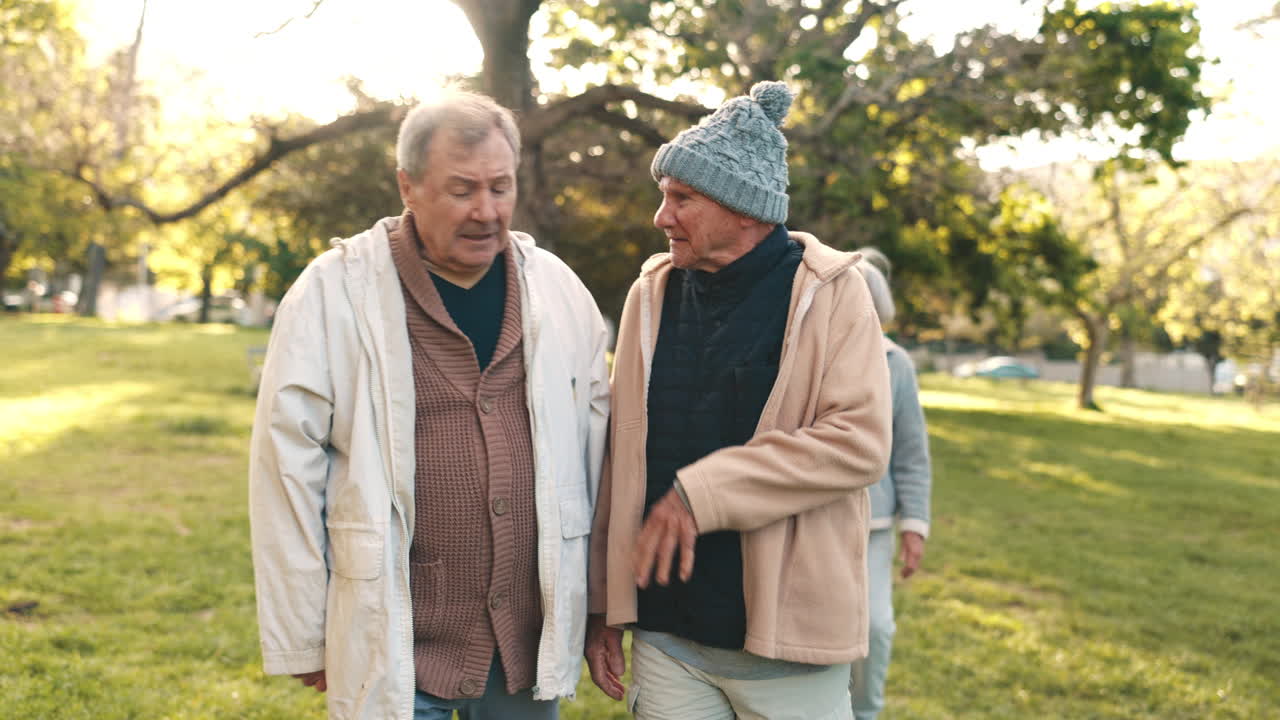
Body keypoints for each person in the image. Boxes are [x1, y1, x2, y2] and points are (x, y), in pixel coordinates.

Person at [248, 90, 610, 720]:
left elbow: (599, 450)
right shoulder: (334, 292)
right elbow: (285, 469)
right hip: (394, 633)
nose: (486, 211)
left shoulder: (557, 289)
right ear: (407, 186)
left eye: (501, 187)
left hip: (524, 634)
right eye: (462, 189)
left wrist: (601, 602)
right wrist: (303, 629)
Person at [583, 81, 893, 719]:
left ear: (743, 209)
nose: (661, 217)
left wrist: (705, 492)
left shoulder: (834, 292)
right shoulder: (651, 293)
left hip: (786, 652)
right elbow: (622, 455)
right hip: (667, 638)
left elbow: (858, 444)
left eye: (682, 199)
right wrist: (605, 602)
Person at [848, 253, 933, 720]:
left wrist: (914, 526)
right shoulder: (807, 351)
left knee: (875, 627)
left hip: (875, 526)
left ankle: (865, 711)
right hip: (814, 517)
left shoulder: (895, 363)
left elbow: (912, 453)